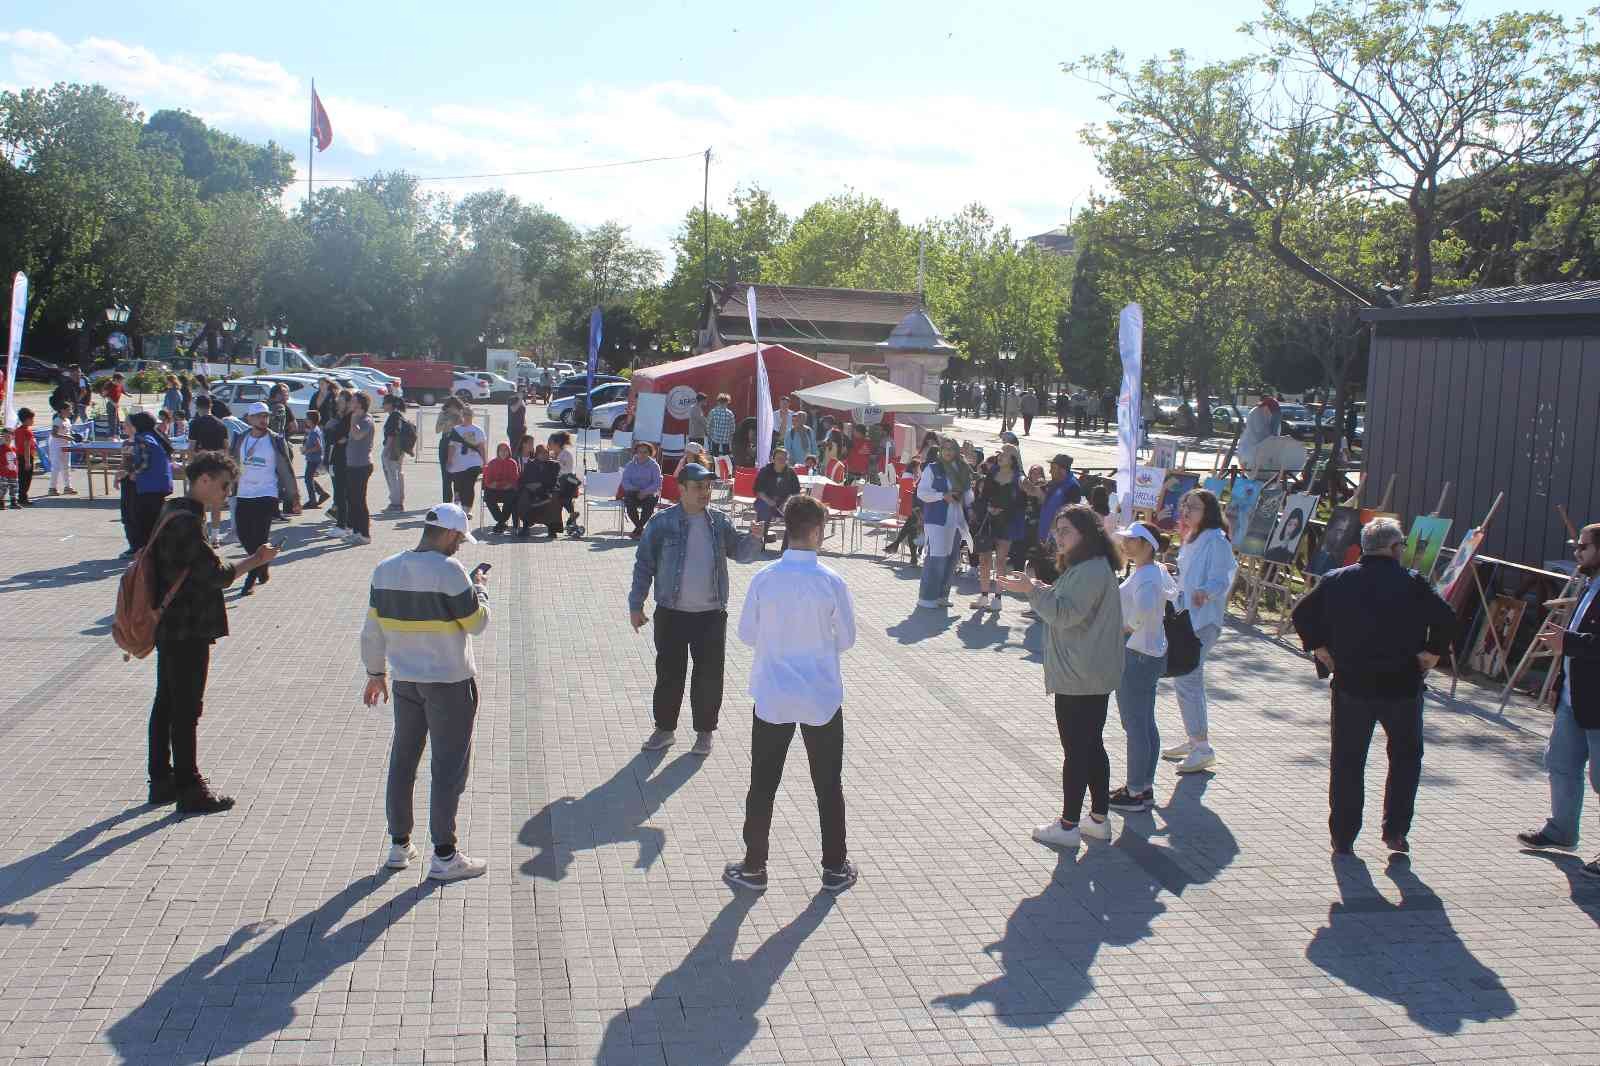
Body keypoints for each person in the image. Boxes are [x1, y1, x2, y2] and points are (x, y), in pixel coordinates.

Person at [1292, 517, 1456, 855]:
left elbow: (1302, 613)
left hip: (1352, 684)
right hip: (1402, 685)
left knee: (1347, 761)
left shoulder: (1337, 580)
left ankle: (1343, 836)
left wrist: (1320, 647)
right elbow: (1447, 618)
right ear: (1394, 548)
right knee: (1405, 759)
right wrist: (1432, 652)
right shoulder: (1413, 583)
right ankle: (1395, 831)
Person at [723, 494, 860, 894]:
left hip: (773, 695)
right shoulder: (832, 582)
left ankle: (754, 867)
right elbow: (847, 639)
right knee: (828, 784)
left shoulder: (764, 578)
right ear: (816, 531)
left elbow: (747, 634)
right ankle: (834, 867)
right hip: (820, 697)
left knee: (763, 783)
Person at [360, 503, 491, 881]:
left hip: (405, 680)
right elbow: (476, 624)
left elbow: (371, 630)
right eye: (460, 540)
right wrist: (480, 591)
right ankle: (445, 855)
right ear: (450, 535)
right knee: (448, 767)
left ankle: (399, 845)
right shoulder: (450, 572)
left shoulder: (384, 568)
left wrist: (375, 672)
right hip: (448, 682)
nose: (460, 548)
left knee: (403, 761)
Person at [143, 450, 277, 814]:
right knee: (186, 707)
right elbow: (214, 575)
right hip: (187, 627)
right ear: (203, 480)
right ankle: (189, 786)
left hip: (172, 623)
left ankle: (161, 779)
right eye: (222, 486)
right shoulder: (185, 521)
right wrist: (255, 561)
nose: (225, 493)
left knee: (167, 702)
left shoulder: (171, 511)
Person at [1002, 505, 1126, 848]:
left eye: (1066, 530)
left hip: (1081, 673)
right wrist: (1038, 585)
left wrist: (1032, 591)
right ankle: (1098, 818)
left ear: (1086, 534)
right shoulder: (1090, 566)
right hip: (1089, 671)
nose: (1058, 536)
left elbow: (1065, 614)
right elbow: (1069, 602)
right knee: (1091, 746)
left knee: (1077, 751)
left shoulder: (1089, 569)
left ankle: (1069, 825)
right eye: (1057, 530)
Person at [629, 462, 758, 757]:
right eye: (699, 487)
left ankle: (704, 733)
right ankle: (665, 730)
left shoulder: (719, 522)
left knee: (709, 676)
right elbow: (644, 565)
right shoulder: (662, 523)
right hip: (671, 613)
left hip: (711, 615)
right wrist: (636, 604)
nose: (705, 492)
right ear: (682, 489)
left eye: (708, 487)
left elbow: (741, 553)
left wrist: (753, 537)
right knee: (669, 674)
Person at [1519, 523, 1600, 870]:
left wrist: (1567, 642)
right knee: (1561, 765)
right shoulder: (1590, 584)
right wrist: (1558, 682)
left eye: (1583, 547)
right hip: (1573, 696)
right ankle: (1562, 829)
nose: (1577, 553)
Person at [1161, 489, 1238, 774]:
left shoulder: (1216, 539)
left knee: (1187, 677)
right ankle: (1195, 739)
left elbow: (1225, 575)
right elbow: (1189, 576)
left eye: (1192, 507)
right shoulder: (1192, 538)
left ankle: (1202, 747)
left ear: (1208, 511)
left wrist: (1207, 591)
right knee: (1187, 679)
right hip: (1187, 619)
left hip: (1204, 621)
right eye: (1185, 506)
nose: (1186, 511)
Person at [1108, 522, 1177, 814]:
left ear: (1148, 545)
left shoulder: (1148, 575)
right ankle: (1143, 786)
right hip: (1150, 652)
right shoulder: (1153, 571)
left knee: (1135, 724)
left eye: (1131, 540)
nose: (1125, 543)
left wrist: (1127, 627)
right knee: (1145, 723)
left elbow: (1146, 606)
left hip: (1137, 654)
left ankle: (1136, 791)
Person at [228, 402, 297, 594]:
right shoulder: (241, 438)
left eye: (265, 416)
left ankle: (249, 582)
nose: (263, 420)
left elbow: (286, 468)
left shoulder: (275, 440)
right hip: (243, 494)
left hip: (267, 494)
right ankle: (262, 565)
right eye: (258, 416)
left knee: (259, 538)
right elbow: (231, 463)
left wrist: (293, 496)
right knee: (244, 536)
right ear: (249, 419)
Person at [915, 438, 973, 610]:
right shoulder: (933, 468)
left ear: (956, 451)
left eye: (951, 448)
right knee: (936, 559)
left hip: (955, 520)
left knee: (952, 559)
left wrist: (963, 496)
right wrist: (943, 496)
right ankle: (927, 597)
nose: (948, 452)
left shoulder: (962, 469)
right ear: (941, 450)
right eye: (945, 448)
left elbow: (970, 496)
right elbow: (922, 493)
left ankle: (942, 596)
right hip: (936, 520)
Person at [971, 448, 1025, 612]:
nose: (1000, 456)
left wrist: (1004, 510)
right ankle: (984, 595)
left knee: (1001, 560)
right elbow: (983, 494)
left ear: (1013, 458)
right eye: (1000, 453)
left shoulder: (1018, 477)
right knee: (984, 559)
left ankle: (998, 598)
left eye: (1005, 454)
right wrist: (988, 508)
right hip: (989, 520)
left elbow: (1021, 502)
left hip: (1007, 521)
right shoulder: (992, 471)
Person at [1020, 454, 1083, 586]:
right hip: (1045, 537)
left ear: (1062, 469)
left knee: (1055, 576)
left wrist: (1055, 536)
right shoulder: (1053, 484)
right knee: (1042, 573)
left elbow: (1069, 515)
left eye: (1053, 468)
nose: (1049, 471)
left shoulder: (1072, 487)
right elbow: (1031, 490)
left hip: (1058, 540)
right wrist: (1019, 471)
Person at [126, 411, 173, 549]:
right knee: (156, 520)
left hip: (149, 485)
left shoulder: (142, 438)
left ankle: (147, 552)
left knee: (144, 522)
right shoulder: (156, 436)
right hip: (161, 483)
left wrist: (132, 472)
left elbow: (144, 462)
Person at [752, 446, 801, 549]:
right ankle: (759, 544)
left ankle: (786, 548)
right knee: (764, 510)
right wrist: (768, 501)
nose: (782, 461)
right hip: (765, 501)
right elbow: (758, 490)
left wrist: (787, 502)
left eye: (784, 459)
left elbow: (796, 492)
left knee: (794, 515)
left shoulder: (791, 473)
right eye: (779, 458)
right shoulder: (765, 471)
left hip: (784, 503)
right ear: (773, 459)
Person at [344, 393, 376, 544]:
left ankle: (365, 534)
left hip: (362, 466)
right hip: (352, 465)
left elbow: (357, 436)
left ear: (360, 404)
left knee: (359, 500)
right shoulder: (356, 419)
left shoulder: (366, 420)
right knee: (352, 500)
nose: (350, 403)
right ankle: (356, 531)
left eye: (353, 401)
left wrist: (353, 418)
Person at [516, 442, 563, 539]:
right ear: (537, 454)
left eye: (546, 452)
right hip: (532, 492)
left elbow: (552, 480)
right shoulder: (530, 464)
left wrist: (540, 485)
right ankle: (525, 527)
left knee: (555, 497)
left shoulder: (554, 465)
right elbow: (524, 479)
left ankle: (552, 530)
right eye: (541, 453)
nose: (544, 455)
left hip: (547, 491)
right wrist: (530, 486)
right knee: (524, 494)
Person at [445, 405, 487, 512]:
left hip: (474, 463)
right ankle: (458, 504)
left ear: (473, 416)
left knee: (469, 485)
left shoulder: (478, 430)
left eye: (469, 414)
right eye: (465, 414)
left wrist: (485, 462)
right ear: (461, 415)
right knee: (459, 486)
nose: (467, 416)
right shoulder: (455, 430)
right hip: (458, 463)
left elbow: (481, 447)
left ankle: (466, 510)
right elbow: (452, 446)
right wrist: (449, 460)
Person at [619, 441, 663, 539]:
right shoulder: (630, 465)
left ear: (649, 453)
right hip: (634, 492)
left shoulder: (654, 466)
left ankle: (637, 530)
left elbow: (657, 483)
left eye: (645, 452)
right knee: (629, 502)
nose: (642, 454)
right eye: (640, 452)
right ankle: (639, 528)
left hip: (650, 493)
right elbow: (625, 481)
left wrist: (645, 492)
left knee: (650, 503)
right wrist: (636, 490)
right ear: (636, 453)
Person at [324, 391, 352, 529]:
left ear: (348, 403)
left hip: (346, 460)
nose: (338, 405)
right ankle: (343, 522)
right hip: (335, 458)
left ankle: (343, 524)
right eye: (338, 402)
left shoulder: (349, 418)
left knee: (343, 493)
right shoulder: (338, 418)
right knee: (340, 493)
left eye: (341, 402)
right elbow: (332, 438)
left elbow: (340, 438)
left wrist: (333, 434)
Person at [482, 442, 521, 535]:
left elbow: (514, 479)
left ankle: (501, 523)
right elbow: (487, 481)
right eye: (501, 450)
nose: (503, 452)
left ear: (509, 452)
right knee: (488, 496)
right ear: (498, 452)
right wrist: (493, 484)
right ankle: (501, 521)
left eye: (505, 450)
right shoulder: (492, 463)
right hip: (494, 490)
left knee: (511, 496)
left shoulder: (512, 463)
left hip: (507, 490)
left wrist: (508, 484)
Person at [381, 395, 408, 512]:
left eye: (385, 403)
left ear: (390, 404)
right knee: (397, 474)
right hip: (398, 449)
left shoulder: (393, 416)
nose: (383, 405)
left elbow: (391, 435)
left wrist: (385, 451)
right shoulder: (398, 415)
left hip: (392, 449)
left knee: (393, 476)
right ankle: (398, 501)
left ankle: (395, 503)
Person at [434, 396, 465, 501]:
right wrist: (446, 422)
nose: (451, 410)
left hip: (458, 444)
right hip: (445, 442)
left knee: (458, 474)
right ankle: (446, 502)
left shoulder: (462, 414)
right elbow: (437, 430)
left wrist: (458, 416)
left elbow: (466, 427)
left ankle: (458, 501)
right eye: (449, 407)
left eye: (454, 407)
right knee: (446, 475)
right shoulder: (443, 414)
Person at [1237, 394, 1277, 469]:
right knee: (1249, 463)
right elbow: (1259, 429)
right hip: (1251, 443)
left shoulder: (1267, 412)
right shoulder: (1256, 412)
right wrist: (1270, 434)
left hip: (1258, 443)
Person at [301, 409, 329, 509]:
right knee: (309, 478)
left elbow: (318, 446)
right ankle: (322, 493)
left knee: (308, 479)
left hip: (313, 459)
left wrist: (306, 451)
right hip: (314, 458)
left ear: (311, 420)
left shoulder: (314, 432)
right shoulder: (314, 429)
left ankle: (312, 500)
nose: (305, 420)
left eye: (307, 418)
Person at [11, 407, 38, 506]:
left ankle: (21, 497)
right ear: (27, 419)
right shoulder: (28, 432)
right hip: (26, 457)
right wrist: (28, 461)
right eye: (32, 419)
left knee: (21, 478)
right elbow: (27, 447)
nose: (33, 421)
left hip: (19, 456)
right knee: (27, 479)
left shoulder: (17, 430)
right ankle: (23, 498)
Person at [47, 405, 75, 496]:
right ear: (62, 410)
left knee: (67, 466)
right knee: (56, 467)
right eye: (68, 410)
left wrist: (73, 437)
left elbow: (68, 432)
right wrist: (65, 437)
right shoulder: (57, 420)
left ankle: (68, 487)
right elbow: (54, 434)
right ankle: (52, 488)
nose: (71, 412)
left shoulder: (68, 420)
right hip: (57, 446)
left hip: (66, 446)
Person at [706, 393, 735, 458]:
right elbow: (732, 426)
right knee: (726, 455)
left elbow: (708, 424)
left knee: (715, 455)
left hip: (715, 436)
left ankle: (715, 467)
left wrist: (709, 434)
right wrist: (731, 435)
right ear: (727, 402)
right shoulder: (729, 413)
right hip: (726, 438)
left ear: (718, 402)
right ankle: (726, 467)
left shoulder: (713, 411)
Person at [0, 427, 17, 510]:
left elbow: (15, 460)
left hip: (13, 472)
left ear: (13, 437)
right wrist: (3, 466)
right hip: (3, 472)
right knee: (3, 487)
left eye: (8, 436)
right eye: (4, 436)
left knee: (14, 487)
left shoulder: (13, 448)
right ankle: (1, 502)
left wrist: (16, 468)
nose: (6, 438)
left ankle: (13, 502)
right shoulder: (1, 448)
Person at [506, 389, 527, 454]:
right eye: (522, 392)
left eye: (524, 392)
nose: (523, 393)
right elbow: (513, 409)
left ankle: (519, 463)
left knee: (521, 449)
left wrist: (525, 425)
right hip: (513, 429)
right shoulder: (511, 399)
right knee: (514, 449)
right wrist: (520, 399)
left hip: (521, 428)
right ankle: (513, 462)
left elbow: (523, 414)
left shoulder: (522, 400)